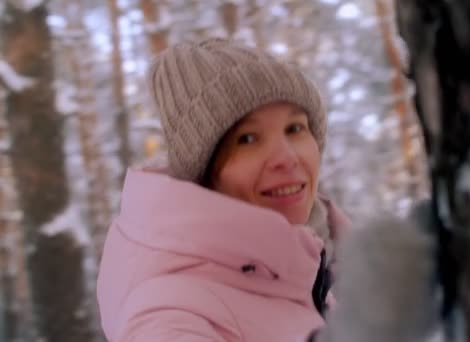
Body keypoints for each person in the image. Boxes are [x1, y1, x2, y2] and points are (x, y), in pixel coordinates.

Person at [96, 38, 351, 342]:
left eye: (294, 128)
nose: (287, 158)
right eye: (247, 139)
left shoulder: (298, 271)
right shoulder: (173, 316)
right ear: (204, 170)